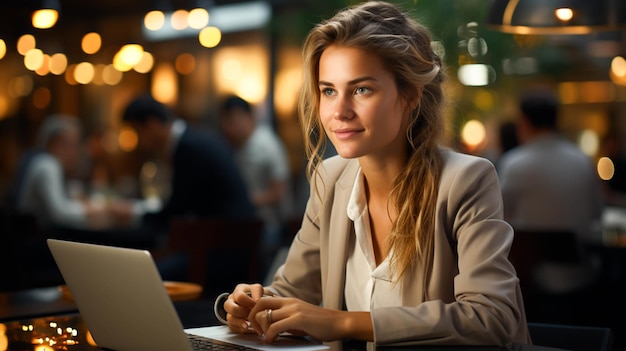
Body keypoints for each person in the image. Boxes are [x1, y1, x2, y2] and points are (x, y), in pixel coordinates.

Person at [218, 1, 530, 347]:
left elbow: (492, 317)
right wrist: (250, 305)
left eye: (362, 89)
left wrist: (344, 323)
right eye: (328, 91)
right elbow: (292, 292)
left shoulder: (465, 180)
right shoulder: (331, 178)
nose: (339, 111)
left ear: (410, 94)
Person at [115, 93, 256, 233]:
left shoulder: (188, 148)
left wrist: (133, 214)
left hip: (228, 241)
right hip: (227, 234)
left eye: (137, 132)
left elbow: (177, 212)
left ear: (152, 124)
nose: (138, 142)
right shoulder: (189, 139)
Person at [218, 95, 292, 256]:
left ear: (250, 117)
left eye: (238, 119)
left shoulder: (267, 145)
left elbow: (278, 193)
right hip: (241, 223)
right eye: (229, 121)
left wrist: (243, 199)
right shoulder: (233, 146)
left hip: (267, 225)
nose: (234, 126)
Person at [9, 114, 109, 230]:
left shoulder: (48, 162)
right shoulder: (47, 165)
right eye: (69, 144)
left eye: (76, 145)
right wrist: (94, 210)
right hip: (33, 239)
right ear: (53, 143)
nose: (74, 152)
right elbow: (59, 213)